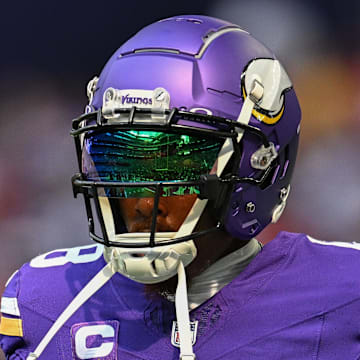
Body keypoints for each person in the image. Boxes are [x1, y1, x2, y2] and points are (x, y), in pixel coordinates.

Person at [1, 14, 360, 360]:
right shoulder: (45, 301)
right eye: (119, 160)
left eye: (173, 164)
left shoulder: (344, 292)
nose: (142, 202)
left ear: (259, 165)